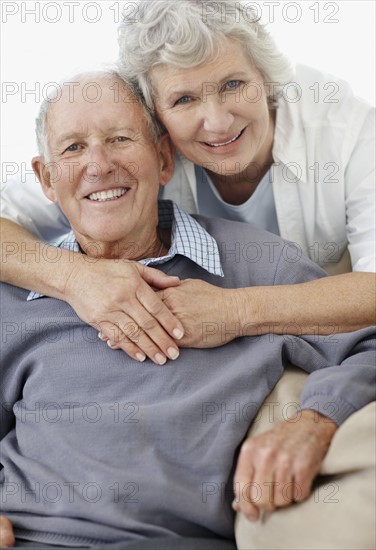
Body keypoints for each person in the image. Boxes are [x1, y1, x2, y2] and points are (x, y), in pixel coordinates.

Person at [1, 70, 375, 550]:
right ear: (46, 179)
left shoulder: (255, 263)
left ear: (162, 159)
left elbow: (365, 341)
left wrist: (317, 420)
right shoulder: (19, 293)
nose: (99, 164)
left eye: (120, 138)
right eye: (73, 148)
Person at [1, 0, 375, 365]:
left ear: (265, 76)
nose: (217, 122)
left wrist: (235, 309)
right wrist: (77, 278)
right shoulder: (134, 153)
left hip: (329, 318)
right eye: (184, 99)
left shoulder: (349, 132)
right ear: (155, 116)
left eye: (232, 83)